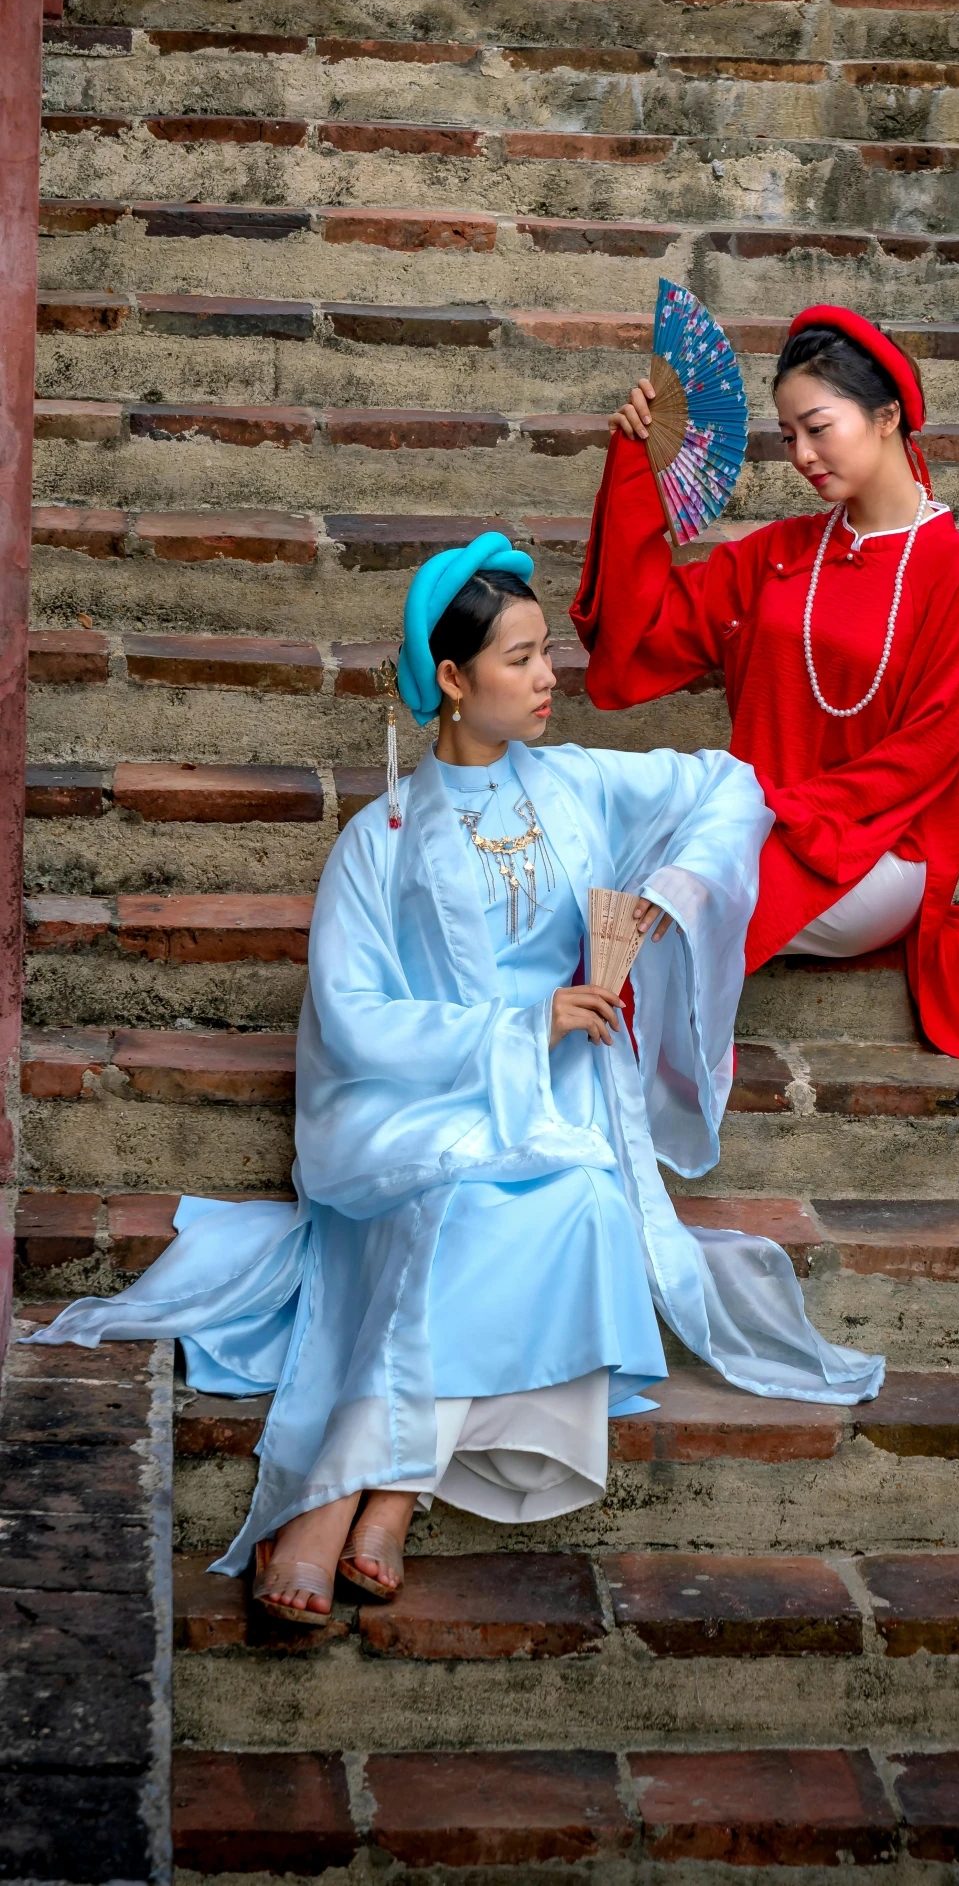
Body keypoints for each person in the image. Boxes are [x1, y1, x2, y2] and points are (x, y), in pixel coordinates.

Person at [25, 533, 881, 1625]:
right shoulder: (377, 843)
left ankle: (356, 1493)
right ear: (451, 678)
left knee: (577, 1204)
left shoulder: (576, 785)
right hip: (420, 1110)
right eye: (520, 659)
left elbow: (729, 786)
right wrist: (516, 1027)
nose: (547, 678)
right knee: (467, 1206)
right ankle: (379, 1496)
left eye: (545, 654)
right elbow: (354, 1018)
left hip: (563, 1099)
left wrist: (667, 888)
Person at [571, 304, 959, 1071]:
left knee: (666, 895)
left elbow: (931, 747)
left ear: (887, 416)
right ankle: (583, 1072)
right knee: (606, 858)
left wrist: (784, 814)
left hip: (878, 851)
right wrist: (633, 463)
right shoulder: (779, 554)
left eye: (817, 427)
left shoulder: (951, 571)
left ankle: (611, 1091)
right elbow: (644, 630)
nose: (800, 453)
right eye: (788, 435)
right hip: (762, 827)